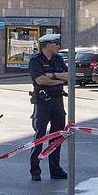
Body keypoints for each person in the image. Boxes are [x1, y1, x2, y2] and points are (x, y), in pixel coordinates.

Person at [28, 34, 69, 181]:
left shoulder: (58, 59)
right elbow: (40, 80)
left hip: (58, 101)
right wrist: (58, 80)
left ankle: (55, 169)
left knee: (58, 136)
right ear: (47, 45)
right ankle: (35, 170)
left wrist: (51, 75)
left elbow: (69, 76)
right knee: (40, 137)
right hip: (43, 101)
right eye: (56, 43)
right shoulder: (35, 60)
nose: (58, 46)